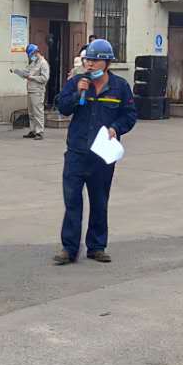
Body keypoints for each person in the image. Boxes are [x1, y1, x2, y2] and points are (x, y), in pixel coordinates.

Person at [54, 38, 136, 265]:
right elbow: (62, 107)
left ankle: (97, 247)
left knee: (99, 201)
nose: (89, 64)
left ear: (107, 63)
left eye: (95, 61)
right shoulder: (77, 82)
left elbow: (130, 115)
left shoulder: (120, 87)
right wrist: (76, 94)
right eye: (87, 60)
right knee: (72, 201)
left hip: (102, 156)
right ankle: (69, 249)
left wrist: (115, 128)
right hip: (76, 153)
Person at [12, 43, 51, 139]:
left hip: (38, 91)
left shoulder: (43, 63)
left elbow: (44, 78)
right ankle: (33, 130)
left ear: (36, 52)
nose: (30, 57)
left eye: (31, 55)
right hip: (30, 90)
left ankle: (39, 132)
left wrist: (32, 77)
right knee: (31, 112)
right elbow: (27, 72)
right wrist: (19, 72)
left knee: (38, 112)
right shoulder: (34, 63)